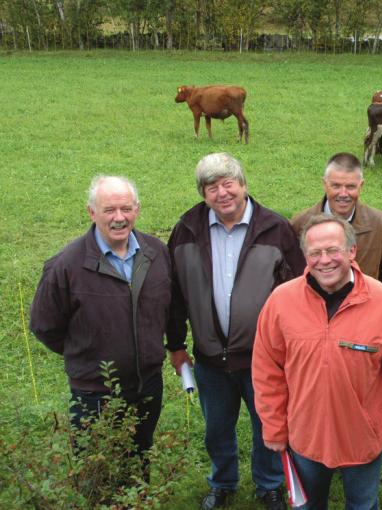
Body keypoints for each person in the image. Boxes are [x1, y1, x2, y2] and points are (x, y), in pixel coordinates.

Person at [252, 214, 382, 510]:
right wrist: (273, 426)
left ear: (352, 252)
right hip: (305, 438)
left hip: (362, 440)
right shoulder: (281, 302)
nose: (325, 260)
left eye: (333, 250)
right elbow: (266, 370)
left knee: (362, 506)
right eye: (315, 252)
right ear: (305, 256)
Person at [166, 153, 305, 510]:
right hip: (210, 357)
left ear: (243, 184)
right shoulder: (185, 229)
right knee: (216, 427)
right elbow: (175, 294)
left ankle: (270, 483)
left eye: (229, 183)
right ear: (203, 193)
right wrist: (176, 344)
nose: (222, 193)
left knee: (268, 425)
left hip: (264, 358)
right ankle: (222, 481)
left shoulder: (275, 228)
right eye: (212, 187)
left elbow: (298, 291)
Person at [30, 175, 170, 460]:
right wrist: (87, 352)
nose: (119, 218)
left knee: (140, 462)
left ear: (138, 209)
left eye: (126, 209)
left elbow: (169, 309)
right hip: (94, 394)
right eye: (109, 210)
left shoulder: (157, 253)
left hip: (148, 386)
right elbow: (45, 326)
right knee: (98, 471)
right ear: (91, 212)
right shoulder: (66, 265)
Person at [291, 152, 382, 285]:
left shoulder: (381, 225)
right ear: (325, 184)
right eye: (336, 186)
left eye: (351, 186)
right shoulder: (299, 224)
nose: (343, 194)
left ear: (361, 185)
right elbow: (293, 273)